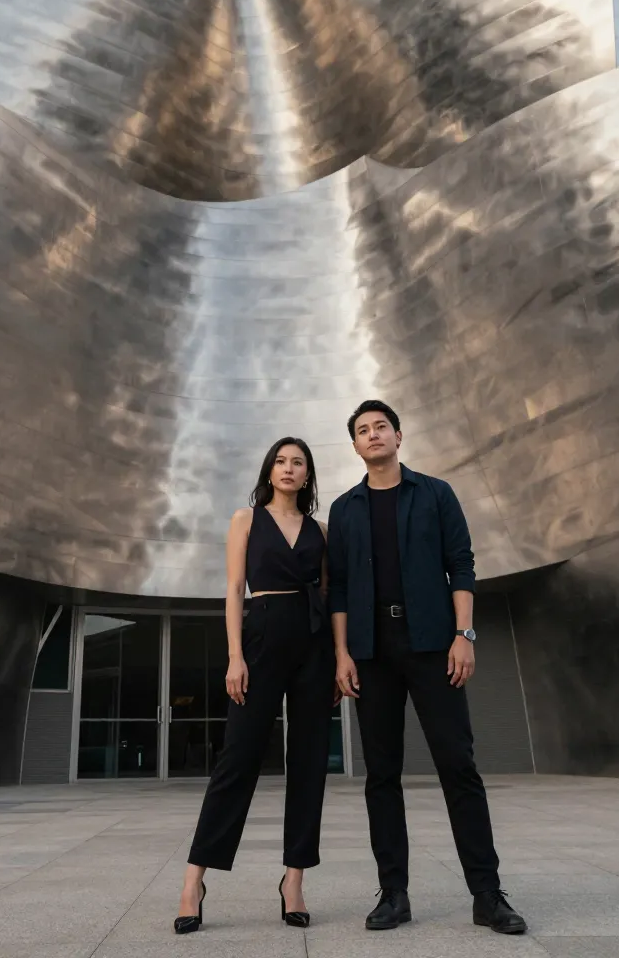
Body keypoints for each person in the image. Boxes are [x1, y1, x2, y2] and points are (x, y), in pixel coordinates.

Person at [327, 400, 528, 935]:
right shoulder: (346, 510)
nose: (373, 436)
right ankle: (394, 894)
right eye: (362, 431)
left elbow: (461, 563)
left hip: (433, 646)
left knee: (458, 767)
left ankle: (487, 894)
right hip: (372, 652)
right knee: (382, 776)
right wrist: (342, 654)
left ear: (398, 436)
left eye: (380, 427)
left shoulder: (435, 494)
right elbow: (339, 589)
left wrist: (464, 635)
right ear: (354, 445)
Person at [175, 436, 336, 934]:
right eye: (281, 461)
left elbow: (331, 599)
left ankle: (294, 881)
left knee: (309, 762)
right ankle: (193, 881)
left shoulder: (322, 531)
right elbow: (232, 590)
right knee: (237, 760)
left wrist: (335, 661)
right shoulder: (244, 521)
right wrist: (235, 655)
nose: (289, 469)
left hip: (312, 646)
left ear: (307, 476)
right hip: (261, 639)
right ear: (269, 471)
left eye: (298, 463)